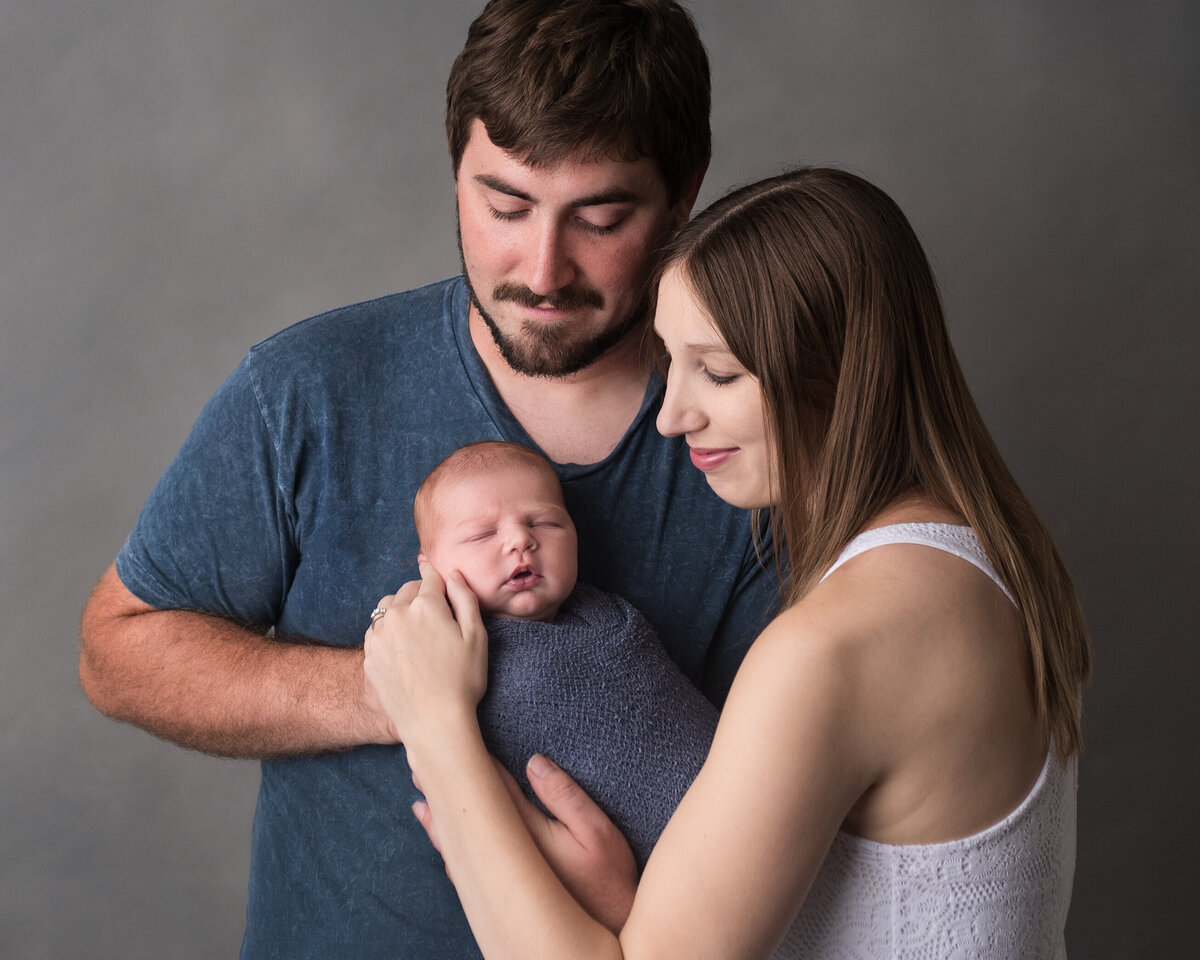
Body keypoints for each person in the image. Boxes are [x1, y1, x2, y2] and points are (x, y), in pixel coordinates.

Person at [78, 2, 776, 956]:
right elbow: (118, 651)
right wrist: (392, 691)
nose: (542, 268)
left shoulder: (755, 452)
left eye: (601, 218)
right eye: (504, 205)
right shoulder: (308, 389)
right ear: (455, 173)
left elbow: (778, 821)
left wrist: (634, 900)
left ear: (685, 193)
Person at [364, 167, 1093, 959]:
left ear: (838, 374)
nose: (673, 417)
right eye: (669, 363)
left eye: (717, 372)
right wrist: (635, 903)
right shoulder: (981, 558)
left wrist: (435, 726)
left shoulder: (835, 645)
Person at [413, 440, 718, 867]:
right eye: (483, 534)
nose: (521, 539)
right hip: (655, 870)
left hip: (730, 803)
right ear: (429, 568)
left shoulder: (608, 619)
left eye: (545, 523)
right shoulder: (443, 659)